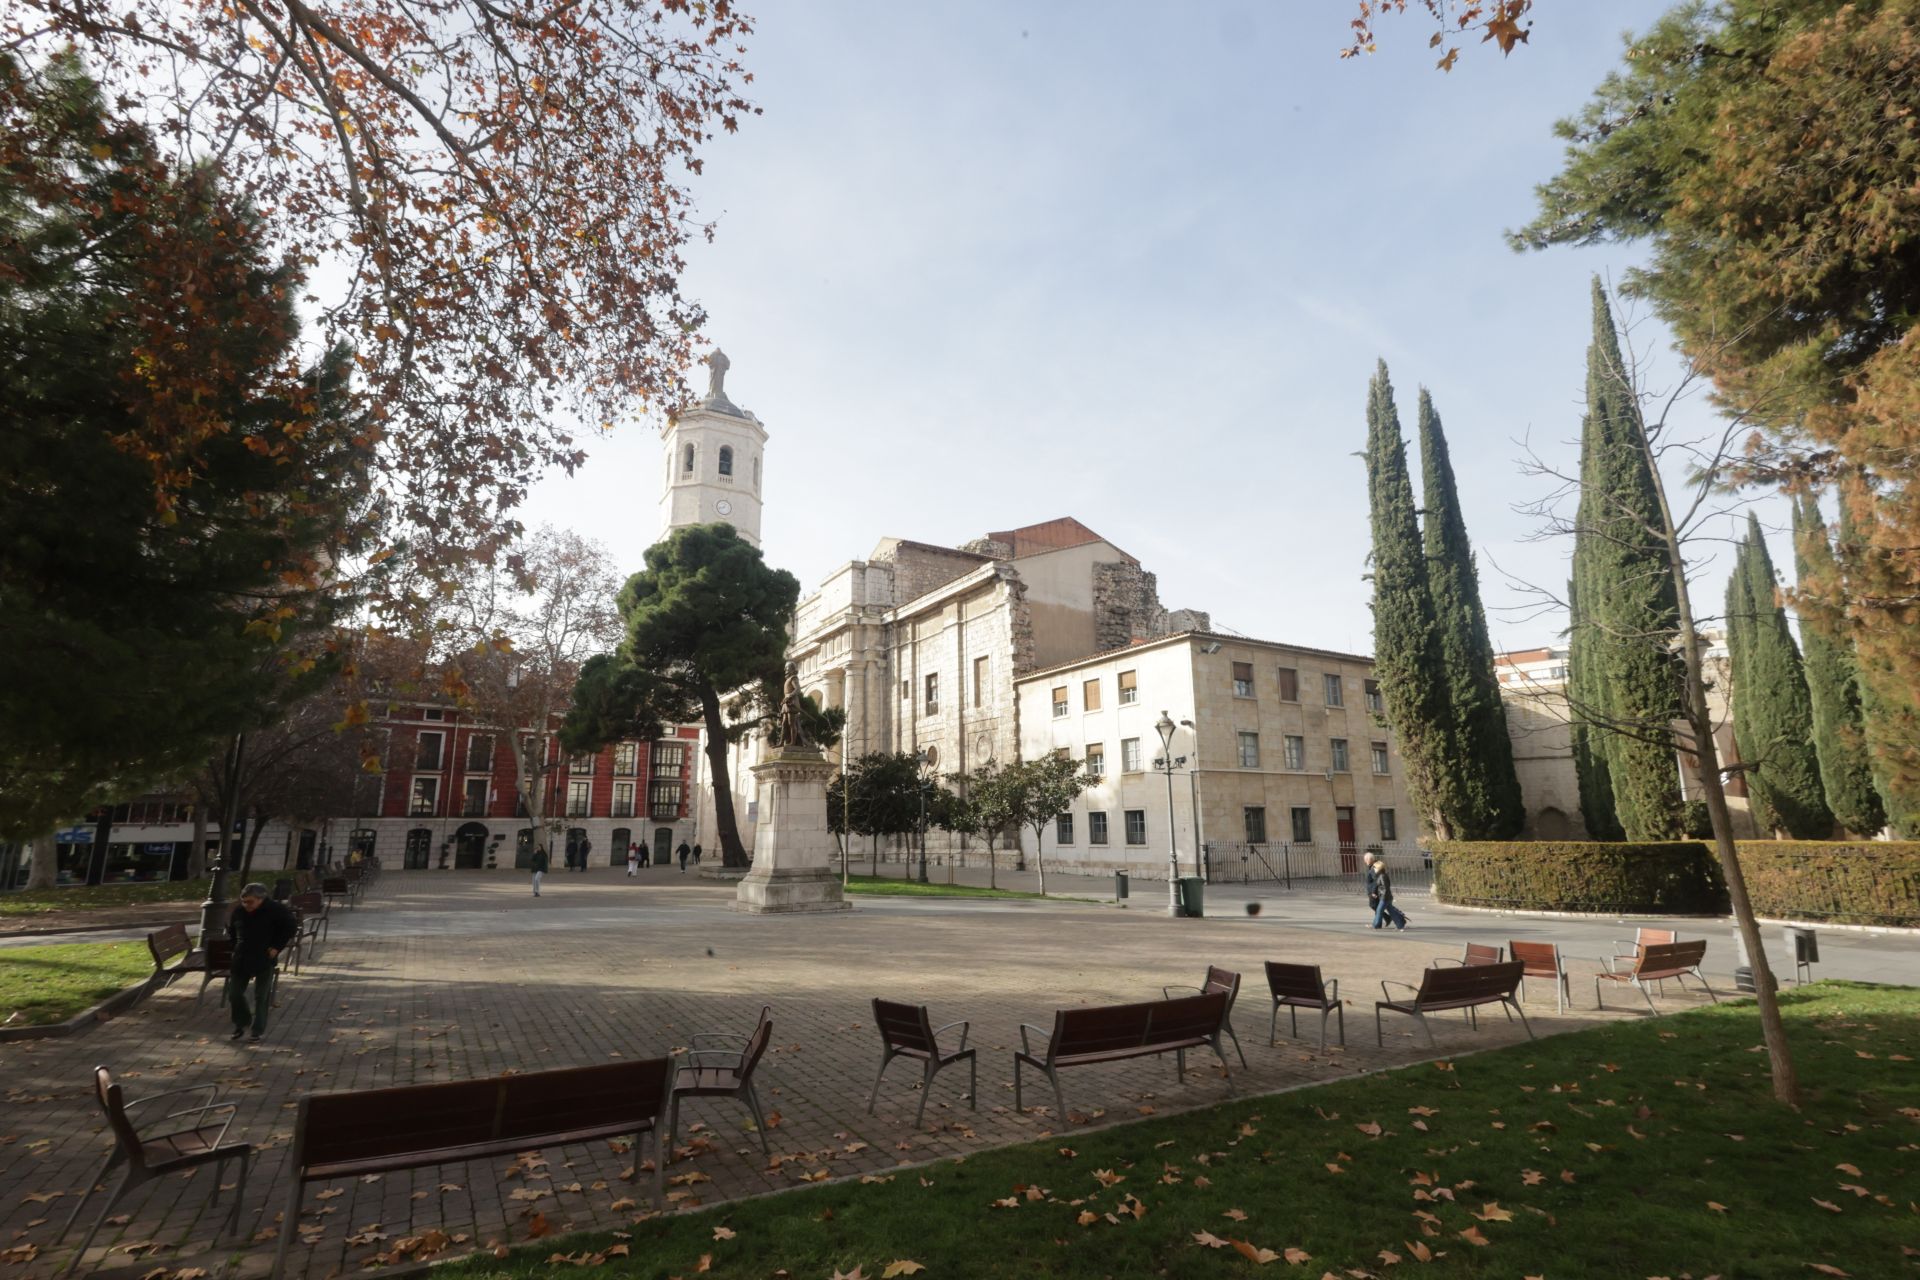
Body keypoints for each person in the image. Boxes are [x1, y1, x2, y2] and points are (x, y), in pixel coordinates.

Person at [227, 882, 296, 1042]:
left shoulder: (276, 910)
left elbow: (290, 927)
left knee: (261, 996)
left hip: (264, 957)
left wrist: (276, 947)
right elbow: (232, 931)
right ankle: (241, 1022)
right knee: (234, 994)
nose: (246, 905)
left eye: (250, 902)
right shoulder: (239, 911)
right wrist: (234, 947)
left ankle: (257, 1030)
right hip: (241, 957)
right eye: (243, 901)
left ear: (261, 899)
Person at [1367, 853, 1409, 931]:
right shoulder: (1380, 875)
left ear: (1378, 868)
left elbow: (1385, 888)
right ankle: (1401, 924)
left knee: (1379, 911)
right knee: (1391, 911)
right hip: (1385, 897)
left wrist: (1383, 897)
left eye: (1374, 868)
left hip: (1385, 898)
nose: (1373, 869)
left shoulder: (1382, 876)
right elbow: (1379, 886)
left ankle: (1376, 926)